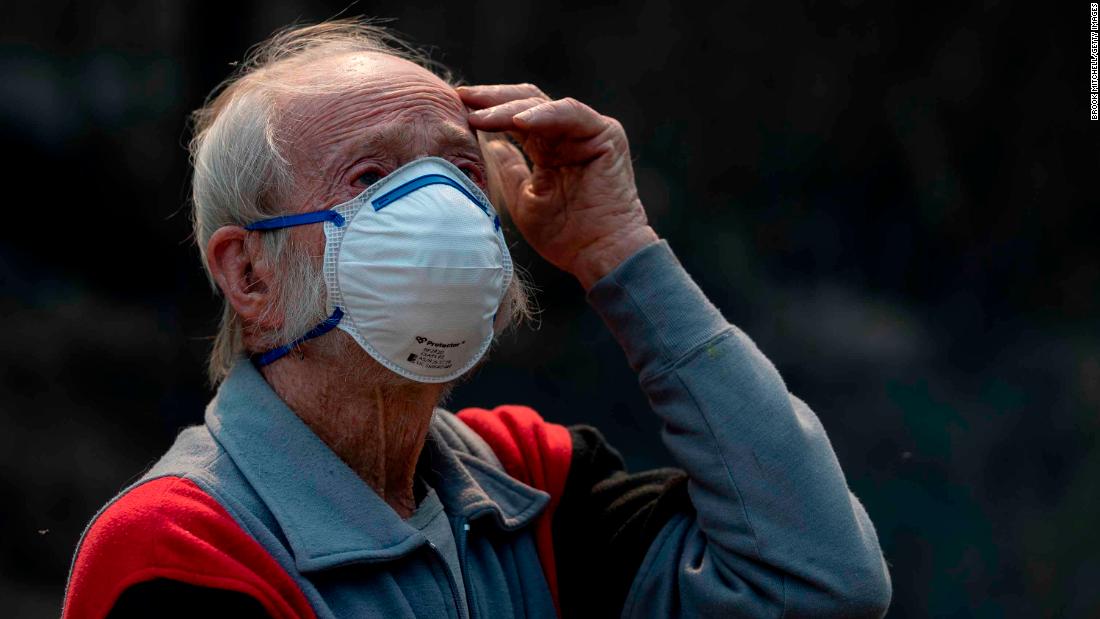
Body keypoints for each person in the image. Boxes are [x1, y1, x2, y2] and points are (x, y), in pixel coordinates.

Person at [62, 18, 892, 619]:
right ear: (250, 272)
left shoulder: (531, 481)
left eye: (461, 168)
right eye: (371, 173)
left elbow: (819, 580)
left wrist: (617, 248)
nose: (443, 208)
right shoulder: (179, 545)